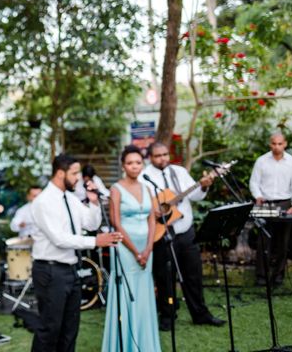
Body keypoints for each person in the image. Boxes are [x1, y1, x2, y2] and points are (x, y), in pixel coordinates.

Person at [30, 154, 122, 352]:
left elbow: (91, 223)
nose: (78, 178)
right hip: (50, 271)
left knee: (70, 329)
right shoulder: (43, 202)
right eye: (74, 173)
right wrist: (95, 241)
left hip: (71, 270)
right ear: (60, 173)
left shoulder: (71, 199)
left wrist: (94, 202)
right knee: (50, 329)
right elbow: (59, 238)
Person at [140, 142, 224, 331]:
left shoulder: (179, 171)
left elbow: (194, 196)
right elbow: (144, 204)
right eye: (158, 156)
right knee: (165, 278)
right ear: (150, 158)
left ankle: (200, 314)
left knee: (193, 275)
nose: (163, 159)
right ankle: (167, 316)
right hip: (162, 234)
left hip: (186, 232)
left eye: (165, 154)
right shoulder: (144, 177)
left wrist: (203, 187)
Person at [102, 145, 160, 351]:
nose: (135, 166)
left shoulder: (147, 188)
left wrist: (148, 249)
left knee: (144, 295)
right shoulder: (116, 189)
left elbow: (152, 220)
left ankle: (145, 344)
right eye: (130, 163)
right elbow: (116, 223)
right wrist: (136, 252)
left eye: (138, 162)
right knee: (126, 295)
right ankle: (125, 345)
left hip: (147, 249)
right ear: (123, 166)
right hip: (126, 251)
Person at [249, 132, 292, 285]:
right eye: (273, 144)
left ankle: (278, 276)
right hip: (265, 203)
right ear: (270, 144)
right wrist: (257, 195)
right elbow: (254, 182)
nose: (276, 147)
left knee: (283, 242)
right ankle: (261, 277)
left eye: (280, 144)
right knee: (263, 241)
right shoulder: (261, 161)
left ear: (285, 144)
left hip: (285, 203)